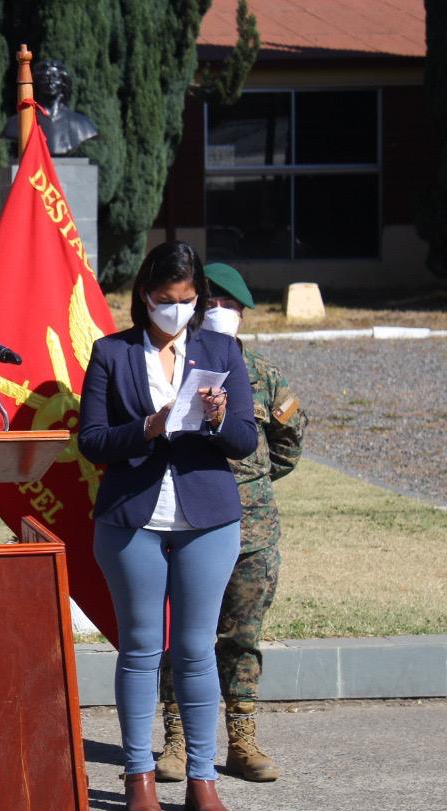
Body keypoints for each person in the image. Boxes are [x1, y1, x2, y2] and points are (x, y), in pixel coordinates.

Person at [77, 241, 258, 811]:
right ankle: (139, 775)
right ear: (144, 297)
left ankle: (202, 778)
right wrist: (148, 428)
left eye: (186, 300)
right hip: (134, 518)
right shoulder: (111, 353)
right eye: (163, 300)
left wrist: (218, 417)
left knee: (195, 650)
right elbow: (92, 440)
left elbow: (246, 441)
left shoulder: (223, 349)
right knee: (139, 649)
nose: (175, 310)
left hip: (207, 516)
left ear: (199, 299)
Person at [155, 263, 308, 784]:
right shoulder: (173, 367)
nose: (220, 313)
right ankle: (176, 741)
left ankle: (243, 741)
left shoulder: (263, 374)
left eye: (231, 306)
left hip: (253, 530)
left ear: (244, 313)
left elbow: (290, 442)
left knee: (243, 638)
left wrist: (253, 483)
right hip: (191, 521)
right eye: (211, 303)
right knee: (184, 638)